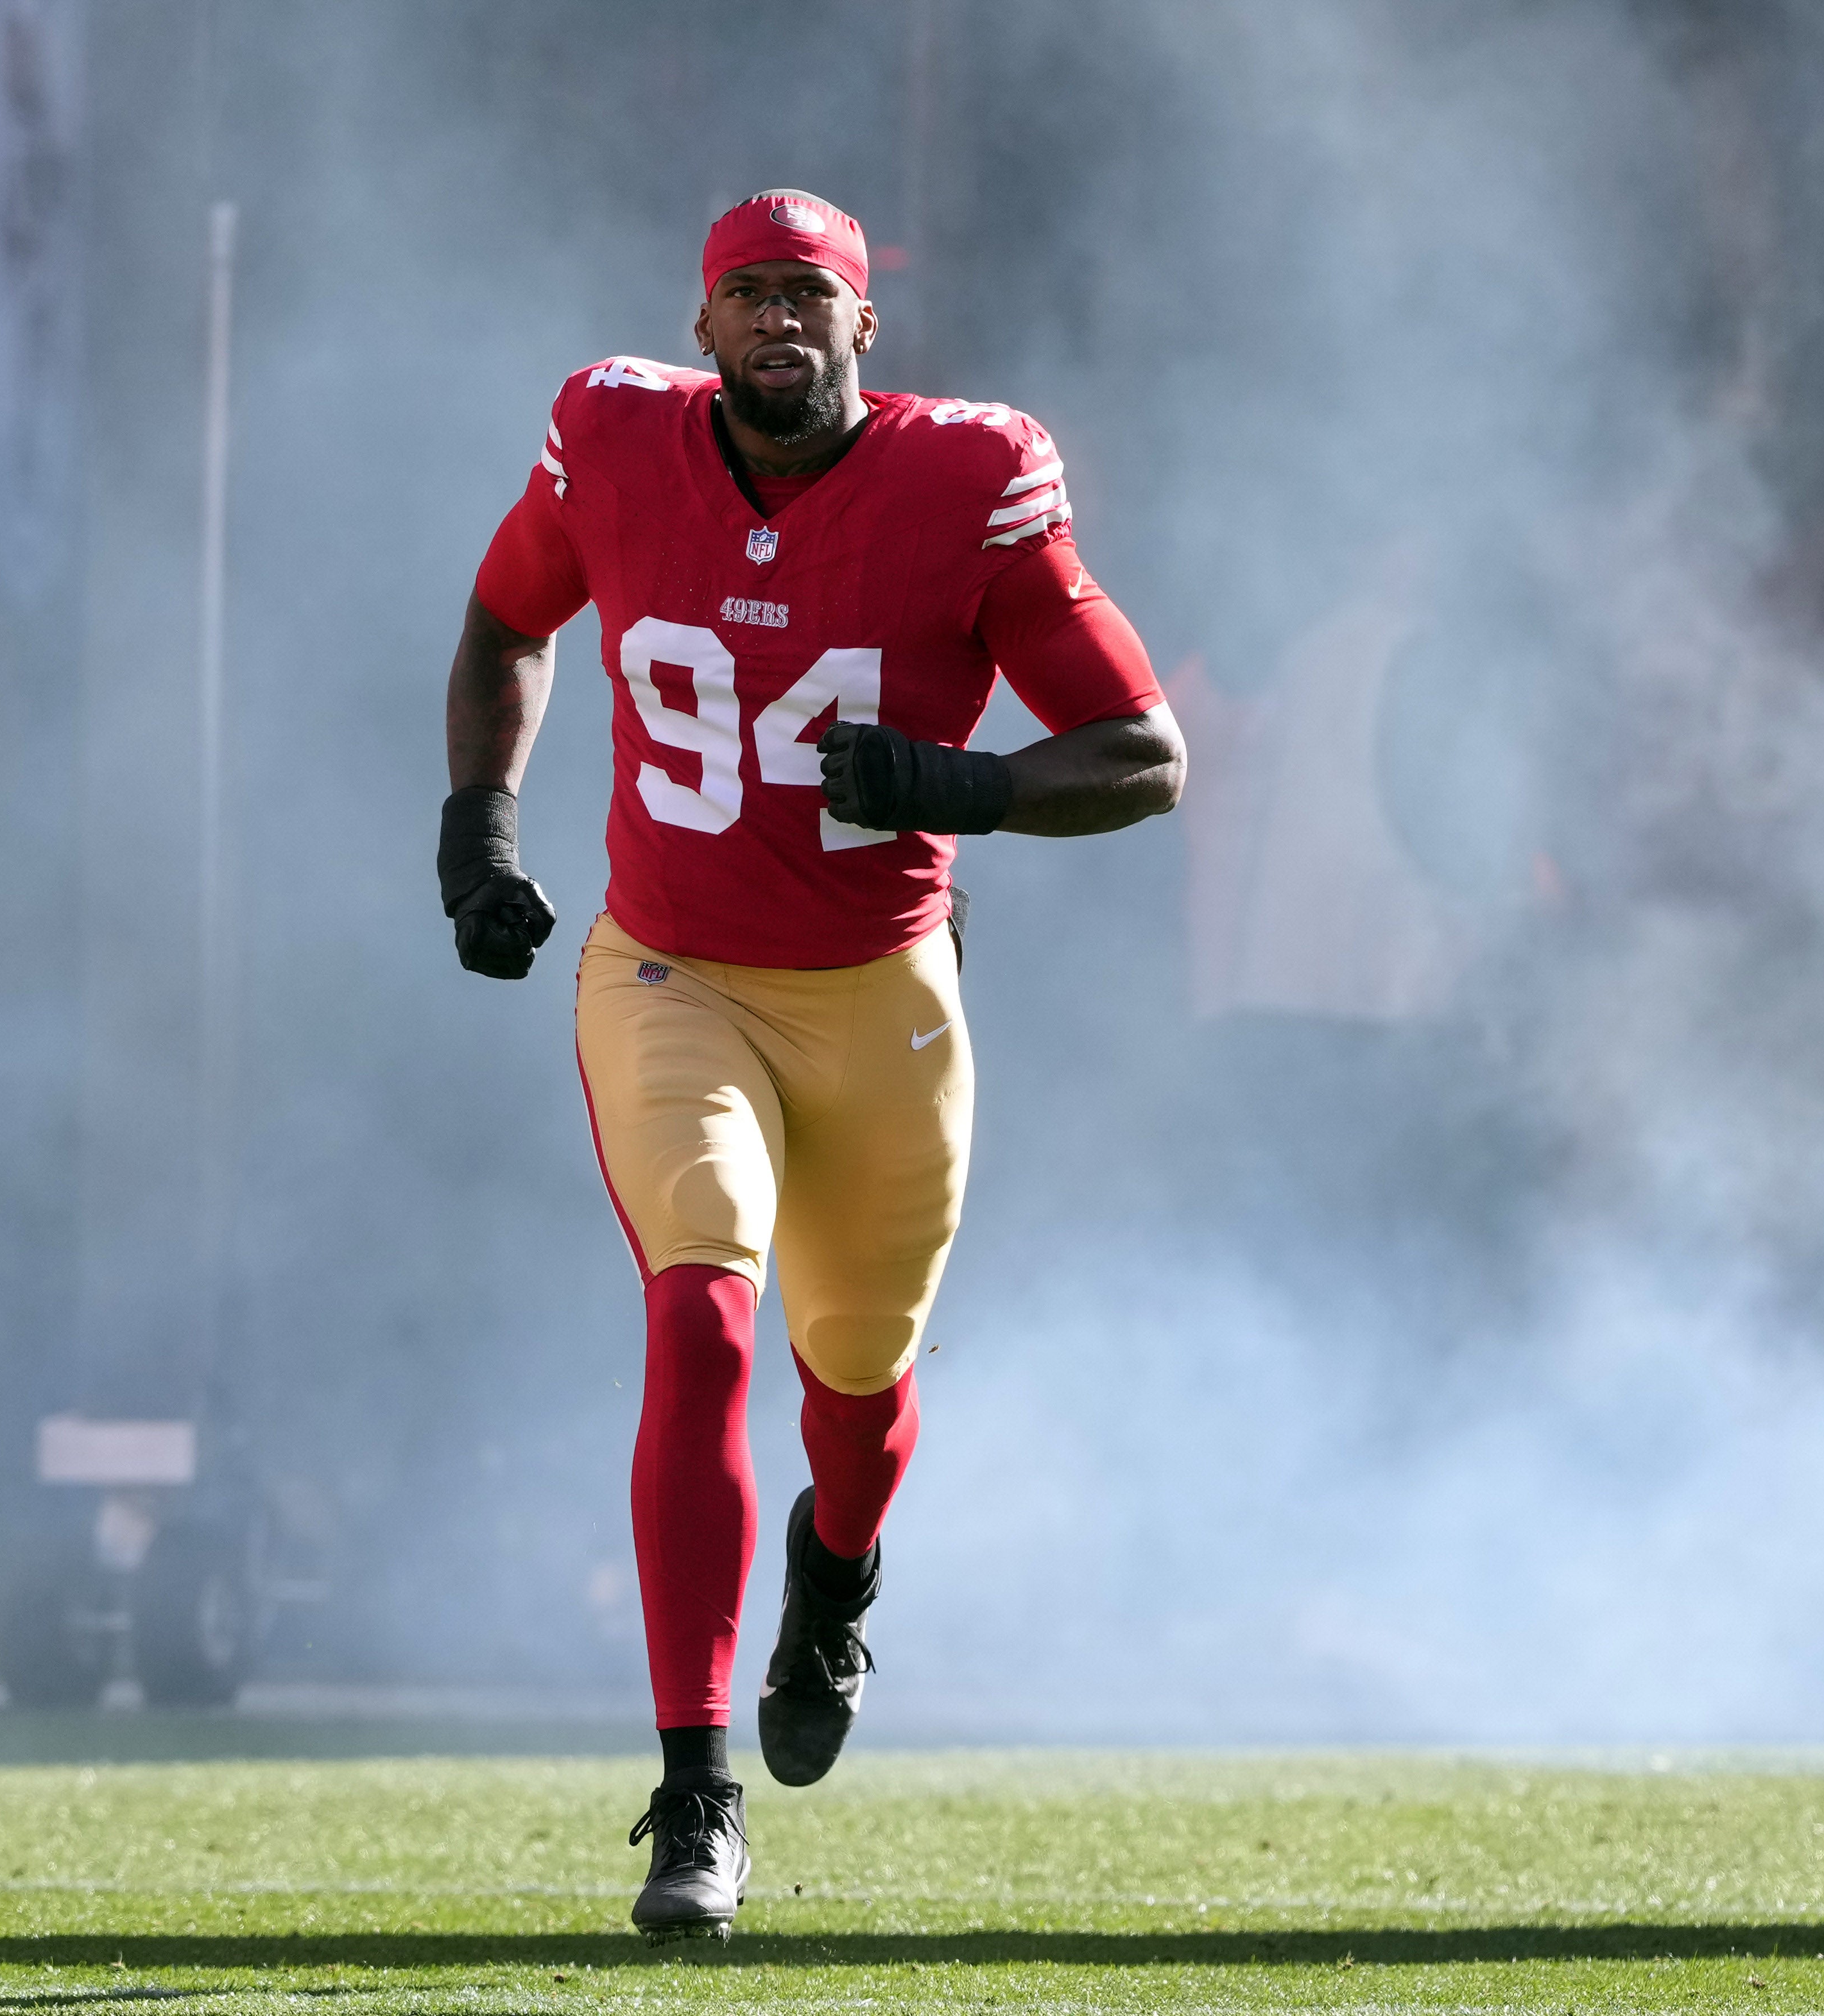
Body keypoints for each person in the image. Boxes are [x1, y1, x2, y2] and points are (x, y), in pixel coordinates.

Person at [438, 190, 1184, 1944]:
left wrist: (955, 782)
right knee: (701, 1312)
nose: (780, 319)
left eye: (812, 295)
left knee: (854, 1381)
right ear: (701, 326)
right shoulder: (612, 436)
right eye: (750, 294)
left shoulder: (967, 478)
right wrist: (477, 833)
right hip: (671, 970)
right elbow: (506, 620)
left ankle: (834, 1568)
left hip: (877, 994)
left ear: (866, 327)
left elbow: (1141, 752)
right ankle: (696, 1794)